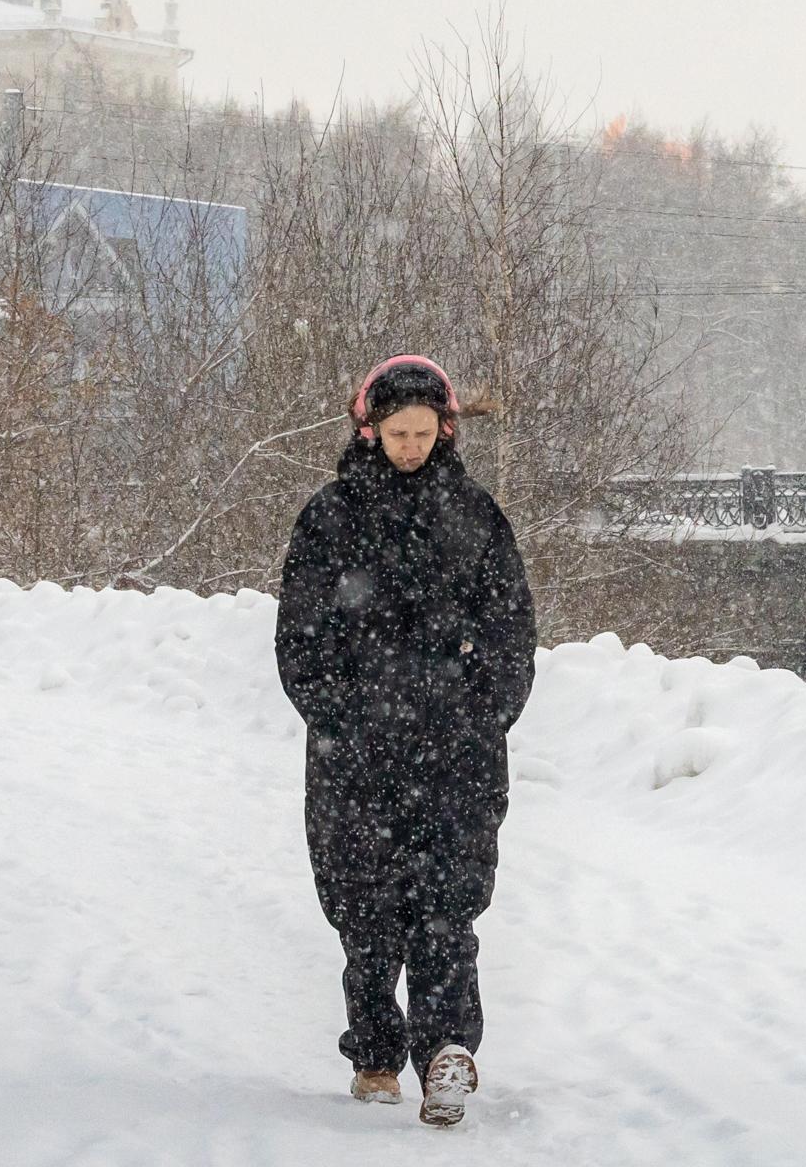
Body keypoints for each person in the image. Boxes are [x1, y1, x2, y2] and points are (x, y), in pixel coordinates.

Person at [274, 355, 538, 1129]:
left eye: (425, 433)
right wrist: (338, 716)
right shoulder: (331, 517)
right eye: (398, 433)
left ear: (445, 430)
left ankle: (448, 1053)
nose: (412, 446)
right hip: (355, 758)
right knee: (366, 908)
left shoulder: (476, 515)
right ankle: (377, 1051)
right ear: (370, 429)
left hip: (456, 754)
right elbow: (301, 635)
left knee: (447, 908)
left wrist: (487, 712)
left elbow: (510, 627)